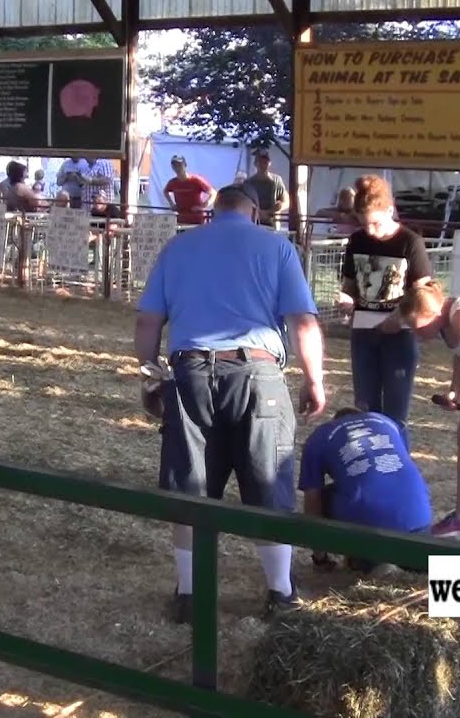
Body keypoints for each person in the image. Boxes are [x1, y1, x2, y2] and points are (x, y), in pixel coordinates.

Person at [135, 182, 326, 623]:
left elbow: (148, 321)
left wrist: (149, 376)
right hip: (258, 374)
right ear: (255, 212)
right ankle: (280, 592)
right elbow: (302, 322)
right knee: (269, 481)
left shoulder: (178, 248)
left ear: (212, 211)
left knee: (191, 485)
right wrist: (314, 379)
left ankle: (189, 594)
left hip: (190, 373)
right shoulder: (276, 248)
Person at [336, 175, 432, 447]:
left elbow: (424, 293)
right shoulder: (357, 241)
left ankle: (396, 468)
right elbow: (350, 284)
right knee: (365, 409)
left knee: (395, 415)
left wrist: (400, 317)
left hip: (399, 335)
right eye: (364, 224)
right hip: (363, 332)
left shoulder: (410, 242)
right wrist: (346, 299)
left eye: (376, 223)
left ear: (390, 211)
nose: (371, 232)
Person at [396, 282, 460, 538]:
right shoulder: (448, 323)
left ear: (432, 314)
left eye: (417, 327)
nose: (416, 334)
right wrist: (455, 392)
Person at [299, 408, 432, 572]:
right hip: (418, 517)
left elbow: (312, 501)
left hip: (368, 525)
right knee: (420, 562)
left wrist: (319, 558)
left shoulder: (319, 436)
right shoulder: (387, 422)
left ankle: (367, 560)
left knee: (324, 497)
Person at [163, 155, 215, 225]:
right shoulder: (173, 182)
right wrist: (172, 204)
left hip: (197, 221)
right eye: (175, 166)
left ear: (185, 165)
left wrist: (202, 206)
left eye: (180, 165)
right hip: (181, 220)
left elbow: (213, 193)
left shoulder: (196, 180)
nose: (177, 168)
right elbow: (165, 191)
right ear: (172, 168)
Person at [243, 148, 288, 228]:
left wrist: (278, 207)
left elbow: (286, 201)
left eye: (265, 162)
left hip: (272, 223)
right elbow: (244, 202)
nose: (263, 164)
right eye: (260, 162)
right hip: (254, 223)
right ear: (255, 164)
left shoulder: (277, 180)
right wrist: (259, 212)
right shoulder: (248, 183)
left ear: (269, 163)